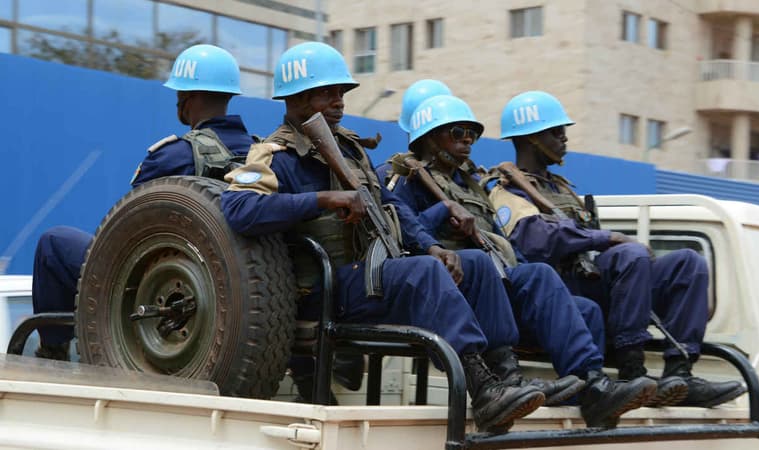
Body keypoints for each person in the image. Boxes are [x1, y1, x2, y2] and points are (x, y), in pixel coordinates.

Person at [220, 42, 548, 434]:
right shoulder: (275, 154)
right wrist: (324, 198)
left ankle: (505, 375)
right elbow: (238, 209)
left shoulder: (351, 151)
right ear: (298, 98)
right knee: (423, 274)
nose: (339, 101)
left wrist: (433, 245)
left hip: (371, 274)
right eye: (328, 93)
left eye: (341, 93)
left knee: (474, 264)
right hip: (328, 289)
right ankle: (481, 388)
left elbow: (394, 206)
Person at [388, 93, 659, 428]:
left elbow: (502, 237)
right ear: (429, 139)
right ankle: (507, 379)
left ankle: (591, 386)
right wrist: (440, 211)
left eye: (471, 133)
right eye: (458, 132)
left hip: (494, 275)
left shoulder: (470, 183)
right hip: (454, 282)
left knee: (554, 285)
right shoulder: (407, 179)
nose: (468, 140)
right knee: (498, 268)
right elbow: (401, 236)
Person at [492, 90, 747, 408]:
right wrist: (608, 238)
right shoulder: (506, 194)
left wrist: (605, 240)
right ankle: (631, 369)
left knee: (688, 263)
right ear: (531, 139)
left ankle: (679, 372)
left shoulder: (561, 188)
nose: (564, 138)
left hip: (600, 284)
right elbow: (538, 240)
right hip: (564, 292)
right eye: (555, 132)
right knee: (630, 254)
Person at [32, 44, 254, 360]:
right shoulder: (263, 155)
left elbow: (123, 228)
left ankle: (52, 352)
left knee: (53, 243)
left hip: (169, 279)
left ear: (188, 98)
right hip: (245, 289)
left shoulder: (173, 155)